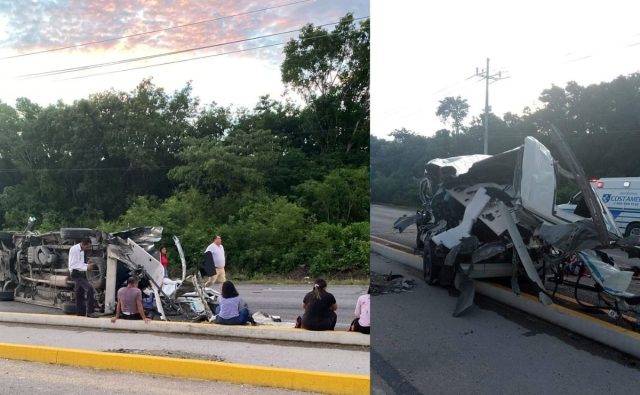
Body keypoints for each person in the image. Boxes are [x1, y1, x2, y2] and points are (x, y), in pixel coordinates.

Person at [68, 238, 98, 318]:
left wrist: (87, 265)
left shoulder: (81, 250)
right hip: (75, 273)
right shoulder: (75, 250)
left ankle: (80, 313)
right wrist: (86, 267)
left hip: (80, 272)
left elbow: (80, 264)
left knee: (79, 293)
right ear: (84, 244)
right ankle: (90, 312)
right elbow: (73, 265)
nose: (88, 248)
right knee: (89, 289)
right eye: (87, 247)